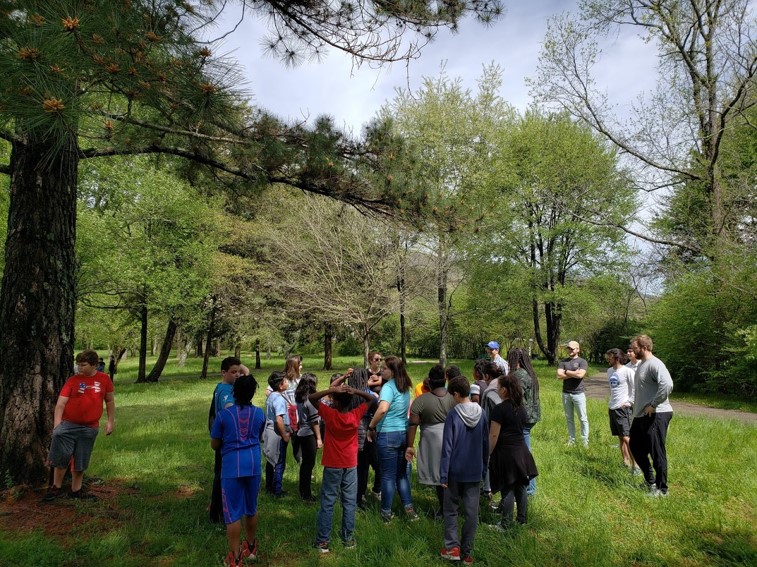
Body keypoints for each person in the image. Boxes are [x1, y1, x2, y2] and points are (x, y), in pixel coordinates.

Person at [309, 376, 375, 553]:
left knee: (328, 502)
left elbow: (311, 398)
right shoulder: (355, 415)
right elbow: (372, 399)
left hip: (332, 464)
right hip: (351, 464)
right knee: (349, 502)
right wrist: (355, 391)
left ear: (335, 401)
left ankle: (323, 542)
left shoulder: (329, 414)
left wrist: (332, 390)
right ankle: (348, 540)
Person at [43, 349, 115, 501]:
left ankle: (76, 490)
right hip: (67, 426)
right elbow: (61, 403)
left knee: (81, 460)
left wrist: (110, 421)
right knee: (60, 458)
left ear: (94, 365)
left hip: (89, 428)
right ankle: (55, 488)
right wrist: (57, 426)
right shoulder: (73, 380)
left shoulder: (104, 379)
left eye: (83, 365)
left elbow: (109, 401)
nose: (79, 368)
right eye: (78, 365)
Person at [210, 375, 266, 567]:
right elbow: (258, 436)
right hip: (253, 465)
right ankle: (250, 548)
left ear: (234, 392)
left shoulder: (224, 416)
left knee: (232, 513)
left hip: (231, 467)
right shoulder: (259, 413)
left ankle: (234, 557)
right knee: (251, 508)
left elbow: (214, 443)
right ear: (252, 393)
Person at [439, 376, 489, 564]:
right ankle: (467, 553)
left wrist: (443, 474)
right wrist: (484, 469)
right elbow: (485, 444)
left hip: (454, 471)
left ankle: (452, 548)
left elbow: (447, 447)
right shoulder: (482, 413)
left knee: (450, 510)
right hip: (474, 470)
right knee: (471, 513)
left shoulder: (453, 414)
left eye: (452, 395)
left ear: (457, 394)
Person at [366, 355, 418, 522]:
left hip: (388, 435)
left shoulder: (388, 387)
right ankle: (410, 511)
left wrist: (371, 426)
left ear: (393, 371)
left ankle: (386, 513)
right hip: (403, 434)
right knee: (401, 475)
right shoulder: (404, 386)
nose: (382, 370)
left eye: (385, 368)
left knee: (387, 476)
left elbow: (382, 409)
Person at [488, 374, 538, 531]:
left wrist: (488, 452)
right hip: (521, 451)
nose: (497, 390)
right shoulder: (521, 408)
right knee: (521, 486)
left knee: (507, 487)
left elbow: (494, 435)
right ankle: (521, 519)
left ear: (504, 390)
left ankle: (505, 524)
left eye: (498, 388)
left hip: (507, 453)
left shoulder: (499, 409)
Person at [405, 364, 454, 513]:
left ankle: (444, 508)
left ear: (430, 381)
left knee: (439, 476)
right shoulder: (454, 398)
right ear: (445, 380)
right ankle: (450, 507)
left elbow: (413, 424)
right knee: (450, 474)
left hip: (431, 440)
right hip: (453, 438)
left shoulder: (421, 400)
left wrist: (410, 445)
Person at [629, 335, 674, 497]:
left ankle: (662, 490)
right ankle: (651, 481)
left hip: (657, 413)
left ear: (644, 347)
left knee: (657, 452)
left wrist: (654, 405)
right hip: (641, 414)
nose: (632, 350)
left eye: (634, 347)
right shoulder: (642, 365)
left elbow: (667, 384)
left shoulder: (655, 364)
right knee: (634, 446)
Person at [209, 357, 246, 523]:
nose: (238, 375)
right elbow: (229, 409)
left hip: (223, 439)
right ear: (223, 373)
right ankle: (219, 513)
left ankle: (216, 511)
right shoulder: (225, 391)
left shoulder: (223, 386)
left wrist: (237, 366)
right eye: (233, 372)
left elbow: (247, 373)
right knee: (223, 477)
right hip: (226, 440)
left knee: (220, 474)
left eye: (238, 371)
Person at [507, 347, 541, 496]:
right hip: (532, 416)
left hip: (524, 418)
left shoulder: (519, 375)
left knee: (523, 453)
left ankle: (529, 489)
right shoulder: (530, 373)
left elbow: (516, 397)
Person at [606, 348, 636, 471]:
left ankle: (637, 465)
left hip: (623, 409)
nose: (608, 359)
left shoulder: (627, 371)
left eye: (610, 357)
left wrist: (629, 402)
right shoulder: (609, 371)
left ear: (617, 358)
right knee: (620, 437)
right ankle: (626, 461)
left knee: (627, 437)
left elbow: (635, 388)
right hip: (612, 407)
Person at [294, 374, 323, 502]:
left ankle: (303, 491)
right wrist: (318, 438)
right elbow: (314, 422)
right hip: (309, 434)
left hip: (301, 433)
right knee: (308, 464)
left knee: (305, 465)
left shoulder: (299, 397)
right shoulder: (310, 400)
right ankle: (307, 494)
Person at [557, 340, 589, 447]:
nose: (570, 350)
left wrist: (566, 372)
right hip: (566, 393)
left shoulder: (582, 361)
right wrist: (574, 372)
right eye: (569, 348)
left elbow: (581, 375)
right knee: (569, 418)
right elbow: (559, 376)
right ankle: (572, 440)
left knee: (583, 418)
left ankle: (585, 441)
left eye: (572, 348)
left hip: (579, 393)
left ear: (578, 349)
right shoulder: (563, 362)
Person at [263, 371, 290, 497]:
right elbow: (279, 419)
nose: (287, 382)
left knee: (270, 460)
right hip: (277, 434)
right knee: (279, 462)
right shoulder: (279, 399)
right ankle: (277, 491)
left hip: (269, 431)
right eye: (285, 381)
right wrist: (284, 435)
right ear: (280, 385)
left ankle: (269, 487)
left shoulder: (271, 396)